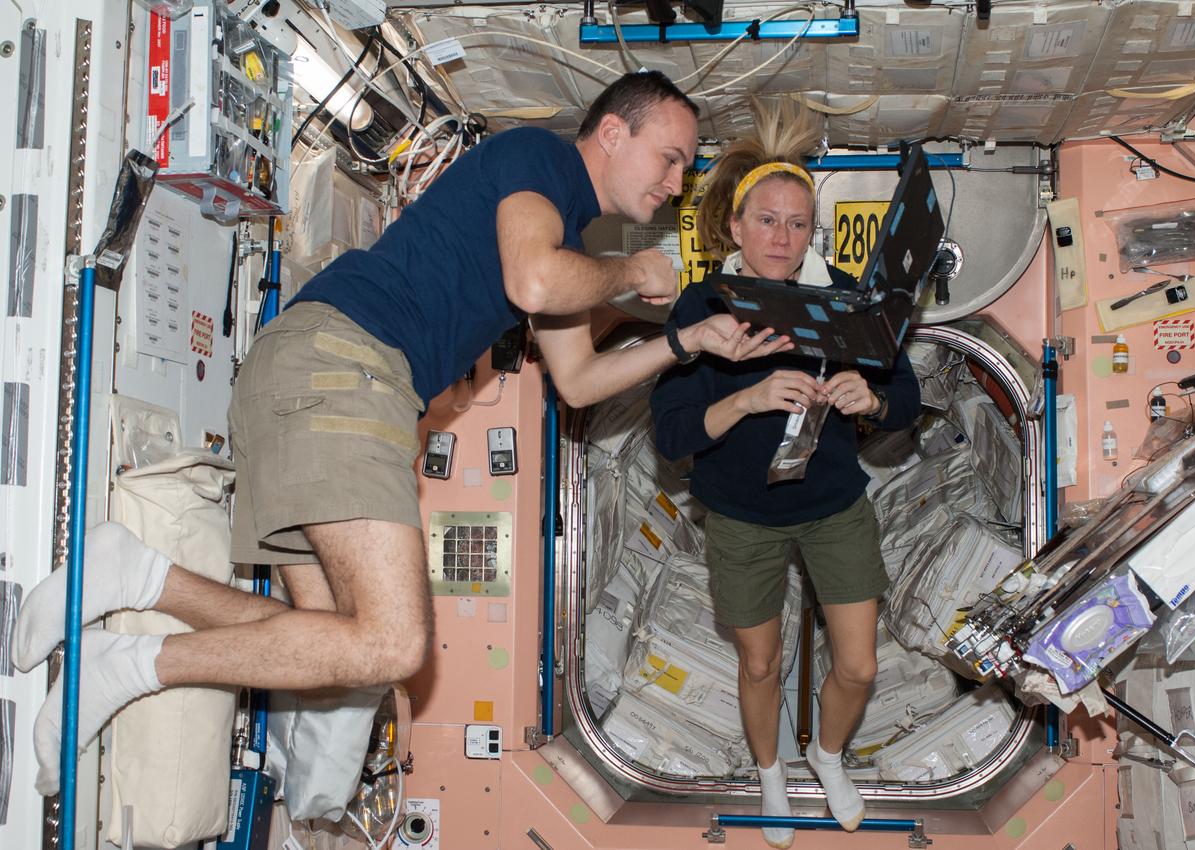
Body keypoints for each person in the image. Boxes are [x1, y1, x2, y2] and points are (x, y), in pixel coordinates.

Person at [15, 71, 791, 795]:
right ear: (615, 133)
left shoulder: (565, 238)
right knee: (393, 645)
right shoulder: (540, 160)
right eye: (672, 157)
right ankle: (127, 667)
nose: (675, 182)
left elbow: (579, 379)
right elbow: (532, 282)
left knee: (331, 644)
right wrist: (631, 275)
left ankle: (135, 576)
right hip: (345, 367)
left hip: (311, 372)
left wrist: (689, 343)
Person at [649, 99, 921, 849]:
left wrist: (873, 400)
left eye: (798, 224)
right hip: (740, 512)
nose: (783, 237)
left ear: (814, 232)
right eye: (767, 220)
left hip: (833, 503)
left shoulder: (845, 302)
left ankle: (825, 754)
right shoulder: (705, 306)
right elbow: (672, 432)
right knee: (762, 662)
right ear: (734, 227)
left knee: (859, 666)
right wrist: (746, 397)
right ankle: (770, 772)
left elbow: (909, 396)